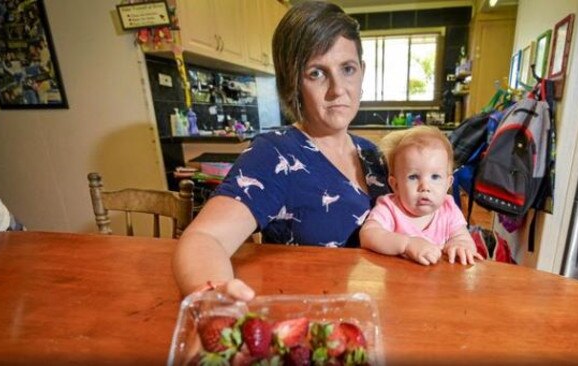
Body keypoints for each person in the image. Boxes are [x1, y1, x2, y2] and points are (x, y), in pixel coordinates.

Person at [172, 1, 389, 298]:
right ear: (293, 83)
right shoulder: (277, 153)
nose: (338, 89)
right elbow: (204, 238)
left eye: (348, 69)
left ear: (362, 72)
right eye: (316, 73)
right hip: (312, 321)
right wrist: (214, 299)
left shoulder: (374, 155)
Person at [360, 126, 483, 266]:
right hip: (398, 282)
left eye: (435, 177)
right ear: (395, 185)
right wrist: (406, 244)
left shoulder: (448, 209)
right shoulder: (390, 207)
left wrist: (460, 245)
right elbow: (368, 235)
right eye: (413, 177)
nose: (425, 187)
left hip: (438, 283)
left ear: (448, 183)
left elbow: (463, 237)